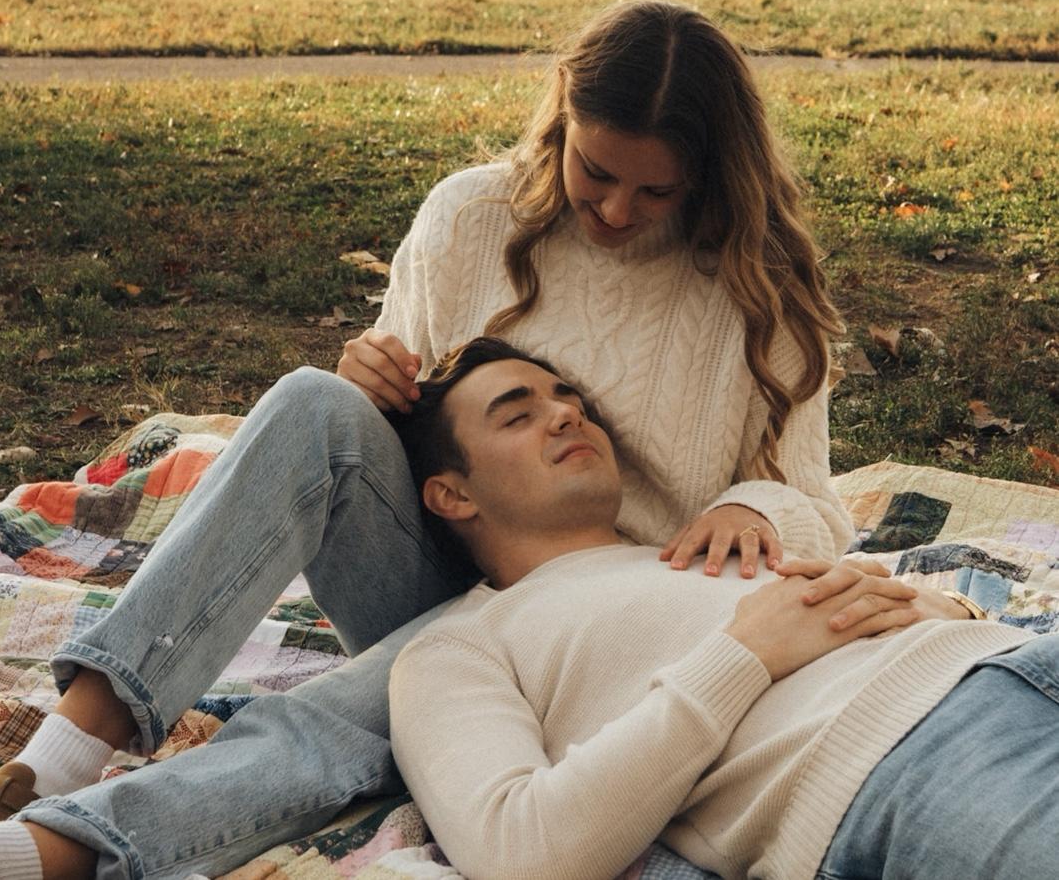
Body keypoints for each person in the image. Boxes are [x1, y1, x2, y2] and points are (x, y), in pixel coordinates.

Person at [0, 1, 871, 879]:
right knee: (311, 404)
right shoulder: (472, 217)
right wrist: (376, 386)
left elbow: (815, 500)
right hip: (445, 555)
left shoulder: (752, 295)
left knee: (345, 714)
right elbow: (415, 427)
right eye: (593, 171)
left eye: (652, 192)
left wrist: (755, 506)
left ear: (710, 178)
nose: (614, 211)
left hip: (595, 629)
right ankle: (53, 754)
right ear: (560, 120)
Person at [388, 338, 1049, 880]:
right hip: (914, 763)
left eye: (568, 398)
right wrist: (746, 654)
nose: (566, 414)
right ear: (452, 496)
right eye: (516, 415)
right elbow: (519, 848)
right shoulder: (457, 648)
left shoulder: (700, 544)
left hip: (1019, 661)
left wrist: (946, 609)